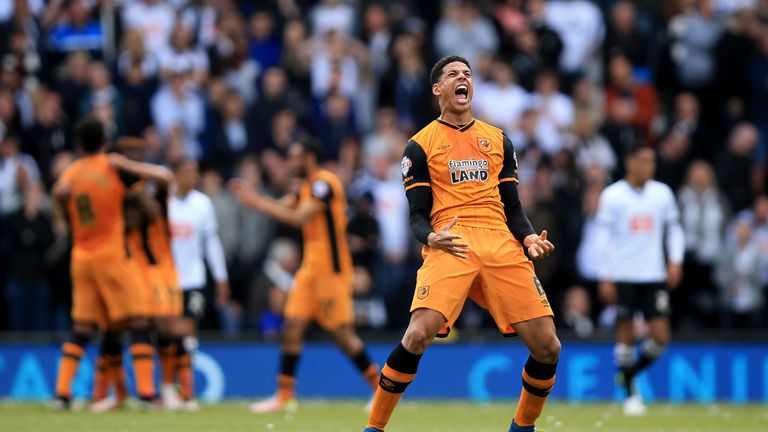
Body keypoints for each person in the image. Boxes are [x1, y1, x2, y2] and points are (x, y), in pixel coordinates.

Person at [362, 56, 559, 432]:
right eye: (453, 74)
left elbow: (513, 207)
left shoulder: (499, 139)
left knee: (548, 346)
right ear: (438, 89)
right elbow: (417, 216)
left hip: (500, 241)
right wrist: (432, 237)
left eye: (467, 74)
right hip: (451, 242)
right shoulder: (419, 146)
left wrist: (529, 236)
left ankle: (523, 427)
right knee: (418, 334)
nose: (462, 78)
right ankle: (374, 427)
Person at [229, 138, 380, 413]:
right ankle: (284, 394)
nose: (290, 163)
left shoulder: (325, 183)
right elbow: (285, 205)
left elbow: (299, 217)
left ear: (310, 157)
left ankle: (380, 388)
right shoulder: (307, 188)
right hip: (310, 270)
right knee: (292, 327)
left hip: (331, 272)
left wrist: (259, 204)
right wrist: (256, 199)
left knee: (342, 336)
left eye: (295, 157)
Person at [52, 117, 173, 408]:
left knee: (82, 326)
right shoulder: (111, 166)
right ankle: (145, 393)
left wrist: (66, 219)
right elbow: (165, 177)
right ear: (105, 143)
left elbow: (58, 195)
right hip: (113, 256)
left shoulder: (72, 172)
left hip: (81, 257)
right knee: (140, 320)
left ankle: (62, 393)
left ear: (79, 144)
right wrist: (124, 163)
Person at [595, 145, 685, 416]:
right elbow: (604, 239)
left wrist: (675, 260)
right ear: (629, 163)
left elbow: (675, 229)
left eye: (652, 161)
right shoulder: (612, 196)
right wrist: (605, 275)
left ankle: (628, 374)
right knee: (626, 334)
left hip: (654, 274)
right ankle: (631, 395)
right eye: (644, 161)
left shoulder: (662, 193)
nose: (649, 166)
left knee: (660, 336)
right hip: (623, 274)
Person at [168, 159, 231, 410]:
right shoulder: (164, 202)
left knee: (187, 333)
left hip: (193, 278)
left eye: (195, 174)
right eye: (187, 174)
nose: (192, 179)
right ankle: (169, 387)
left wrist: (221, 277)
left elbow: (211, 242)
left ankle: (186, 391)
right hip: (166, 279)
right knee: (169, 334)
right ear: (174, 176)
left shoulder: (202, 204)